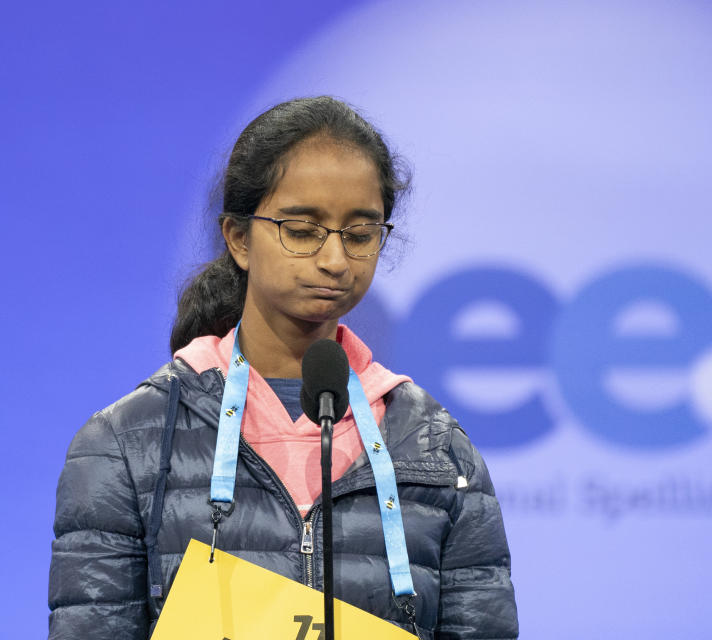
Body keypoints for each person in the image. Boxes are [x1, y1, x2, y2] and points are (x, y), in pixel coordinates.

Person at [48, 97, 519, 640]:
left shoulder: (438, 450)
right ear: (239, 239)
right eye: (302, 230)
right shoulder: (126, 444)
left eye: (360, 234)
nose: (335, 260)